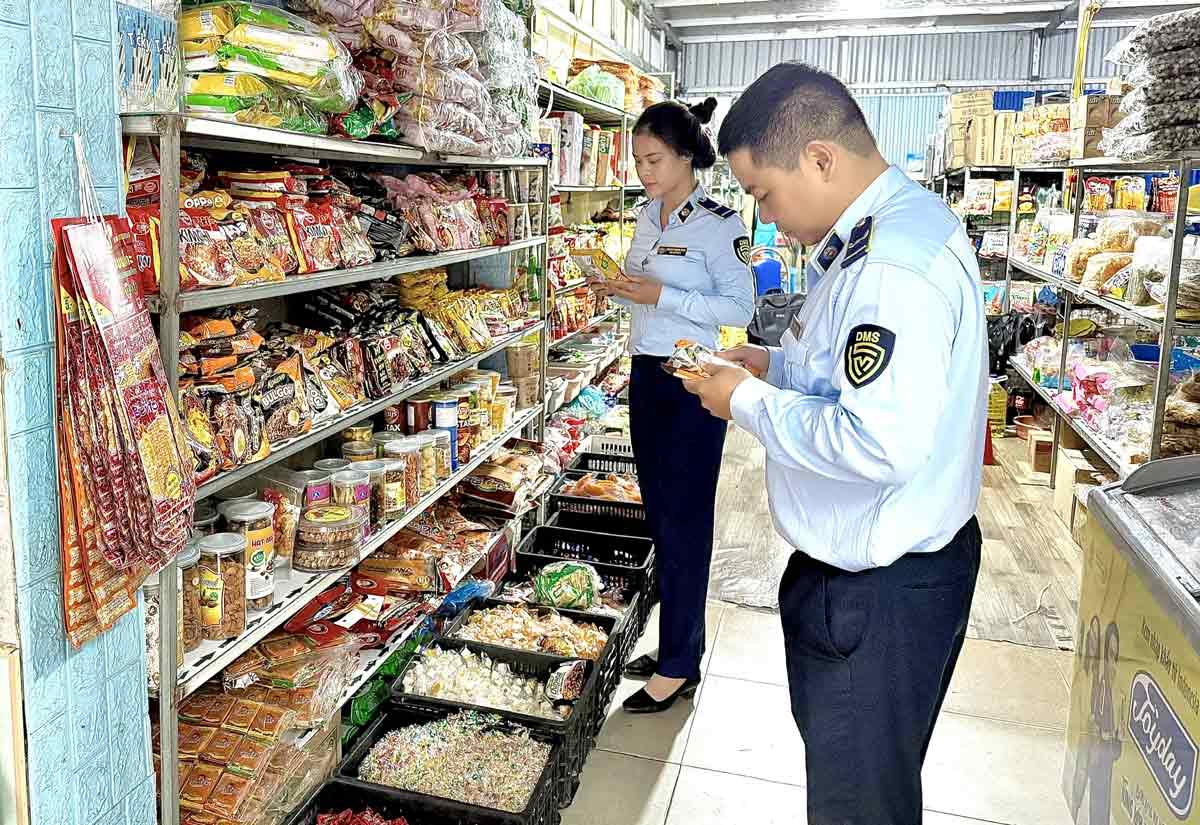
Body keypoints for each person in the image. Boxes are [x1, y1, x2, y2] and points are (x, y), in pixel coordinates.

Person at [682, 62, 988, 823]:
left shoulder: (887, 268)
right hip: (893, 578)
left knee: (858, 806)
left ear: (819, 159)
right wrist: (771, 363)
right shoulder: (893, 228)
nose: (768, 217)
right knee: (870, 782)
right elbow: (850, 375)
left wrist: (744, 400)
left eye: (764, 193)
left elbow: (875, 438)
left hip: (875, 595)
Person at [589, 97, 754, 714]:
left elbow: (739, 309)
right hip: (645, 373)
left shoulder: (719, 224)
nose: (644, 171)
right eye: (637, 160)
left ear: (687, 156)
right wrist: (618, 286)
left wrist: (663, 296)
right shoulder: (645, 217)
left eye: (654, 159)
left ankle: (679, 665)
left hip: (692, 379)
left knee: (686, 519)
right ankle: (679, 640)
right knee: (661, 515)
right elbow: (646, 291)